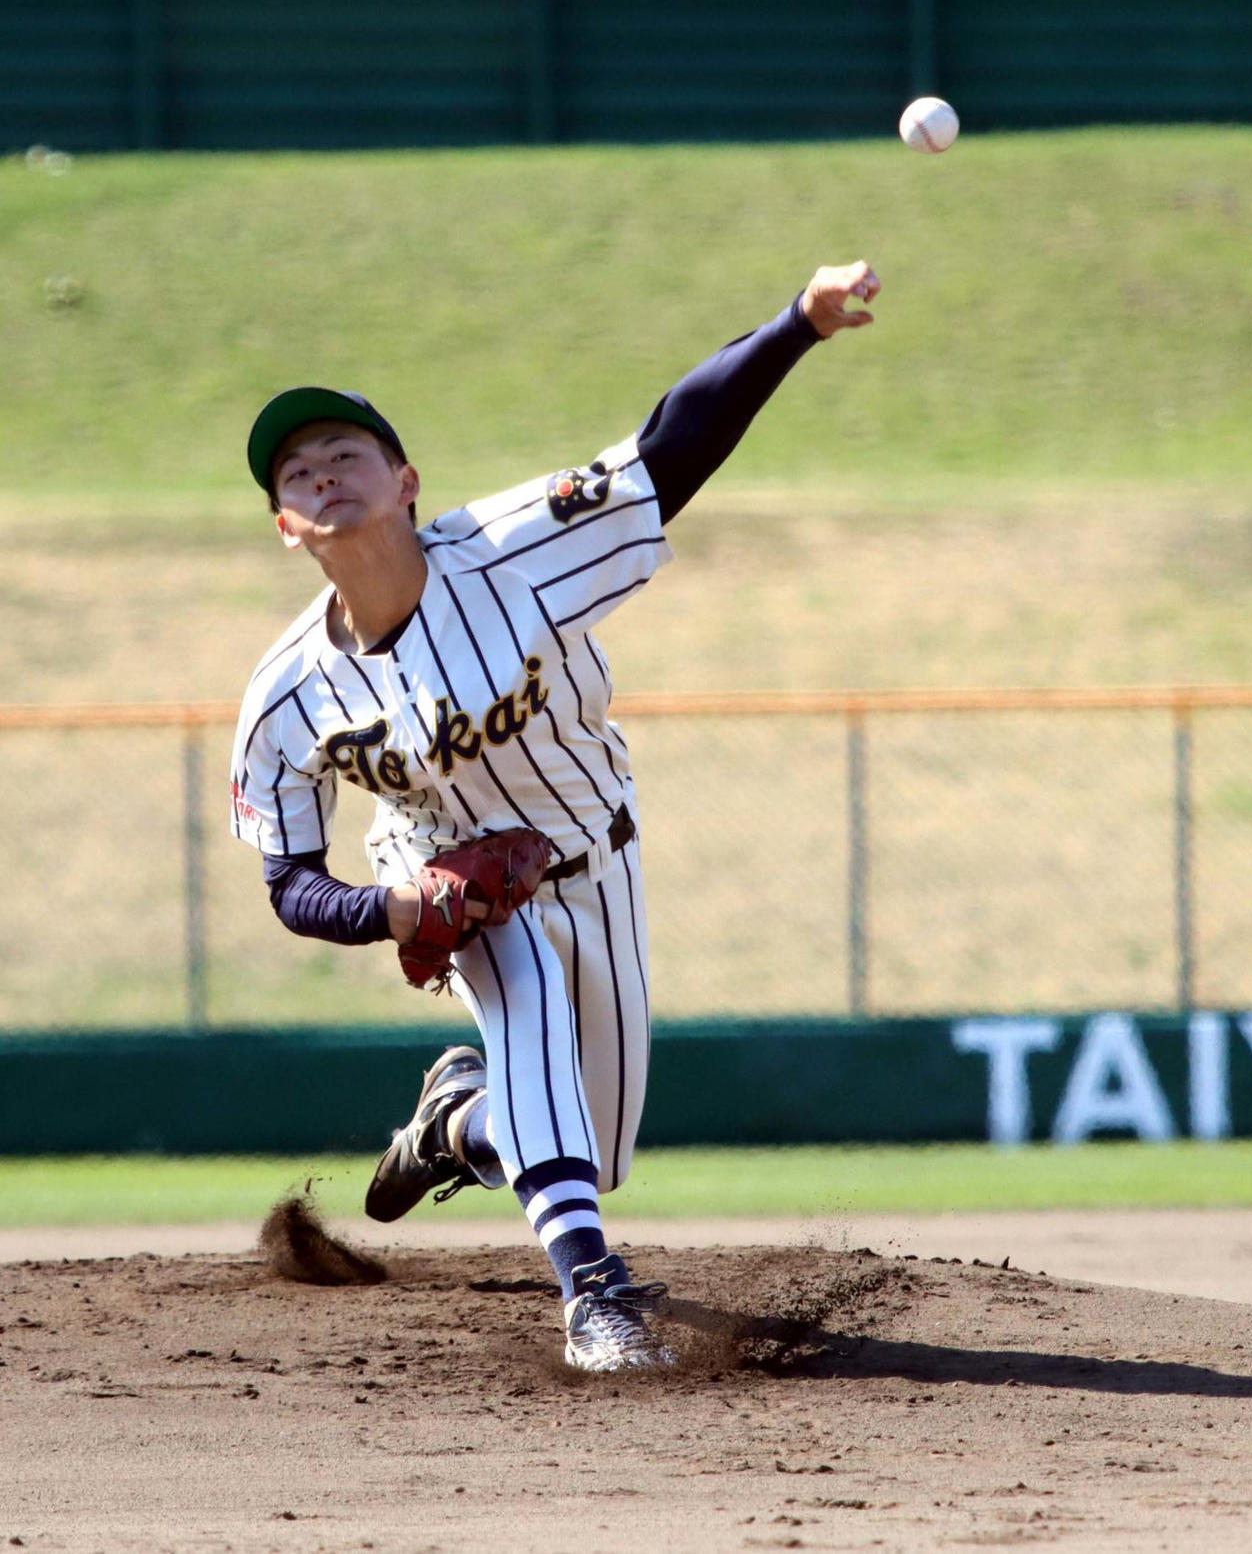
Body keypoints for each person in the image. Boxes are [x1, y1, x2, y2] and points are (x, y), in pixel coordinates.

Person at [229, 260, 880, 1372]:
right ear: (287, 525)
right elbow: (290, 879)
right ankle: (595, 1297)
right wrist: (395, 908)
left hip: (594, 852)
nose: (323, 473)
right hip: (450, 875)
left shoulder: (513, 549)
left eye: (346, 452)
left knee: (589, 1143)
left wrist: (797, 325)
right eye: (298, 470)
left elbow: (667, 450)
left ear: (405, 482)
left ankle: (456, 1121)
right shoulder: (284, 694)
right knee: (522, 996)